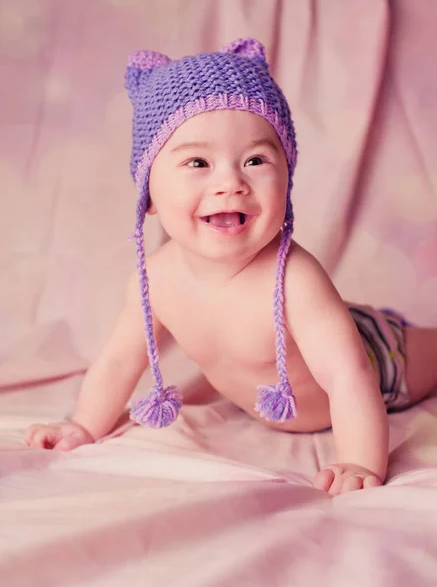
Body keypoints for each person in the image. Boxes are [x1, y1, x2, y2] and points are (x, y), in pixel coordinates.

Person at [25, 38, 437, 495]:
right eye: (198, 162)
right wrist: (83, 425)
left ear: (287, 176)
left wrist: (360, 462)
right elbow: (120, 360)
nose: (230, 182)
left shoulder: (294, 280)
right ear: (150, 195)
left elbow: (348, 374)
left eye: (255, 160)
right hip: (319, 350)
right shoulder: (156, 280)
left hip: (380, 357)